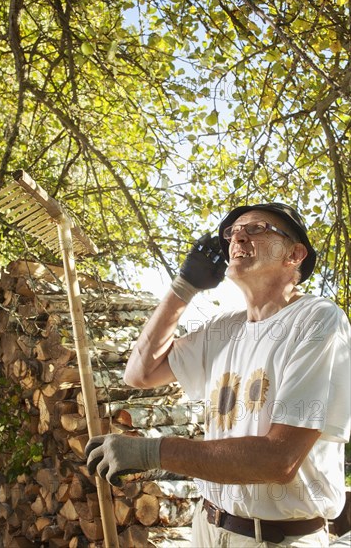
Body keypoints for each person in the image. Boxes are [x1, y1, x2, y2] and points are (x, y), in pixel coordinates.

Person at [86, 203, 351, 547]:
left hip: (275, 539)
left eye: (256, 229)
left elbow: (279, 460)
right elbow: (139, 373)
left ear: (295, 254)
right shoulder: (224, 328)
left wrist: (152, 452)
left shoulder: (318, 320)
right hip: (207, 527)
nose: (238, 236)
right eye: (232, 233)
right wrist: (184, 286)